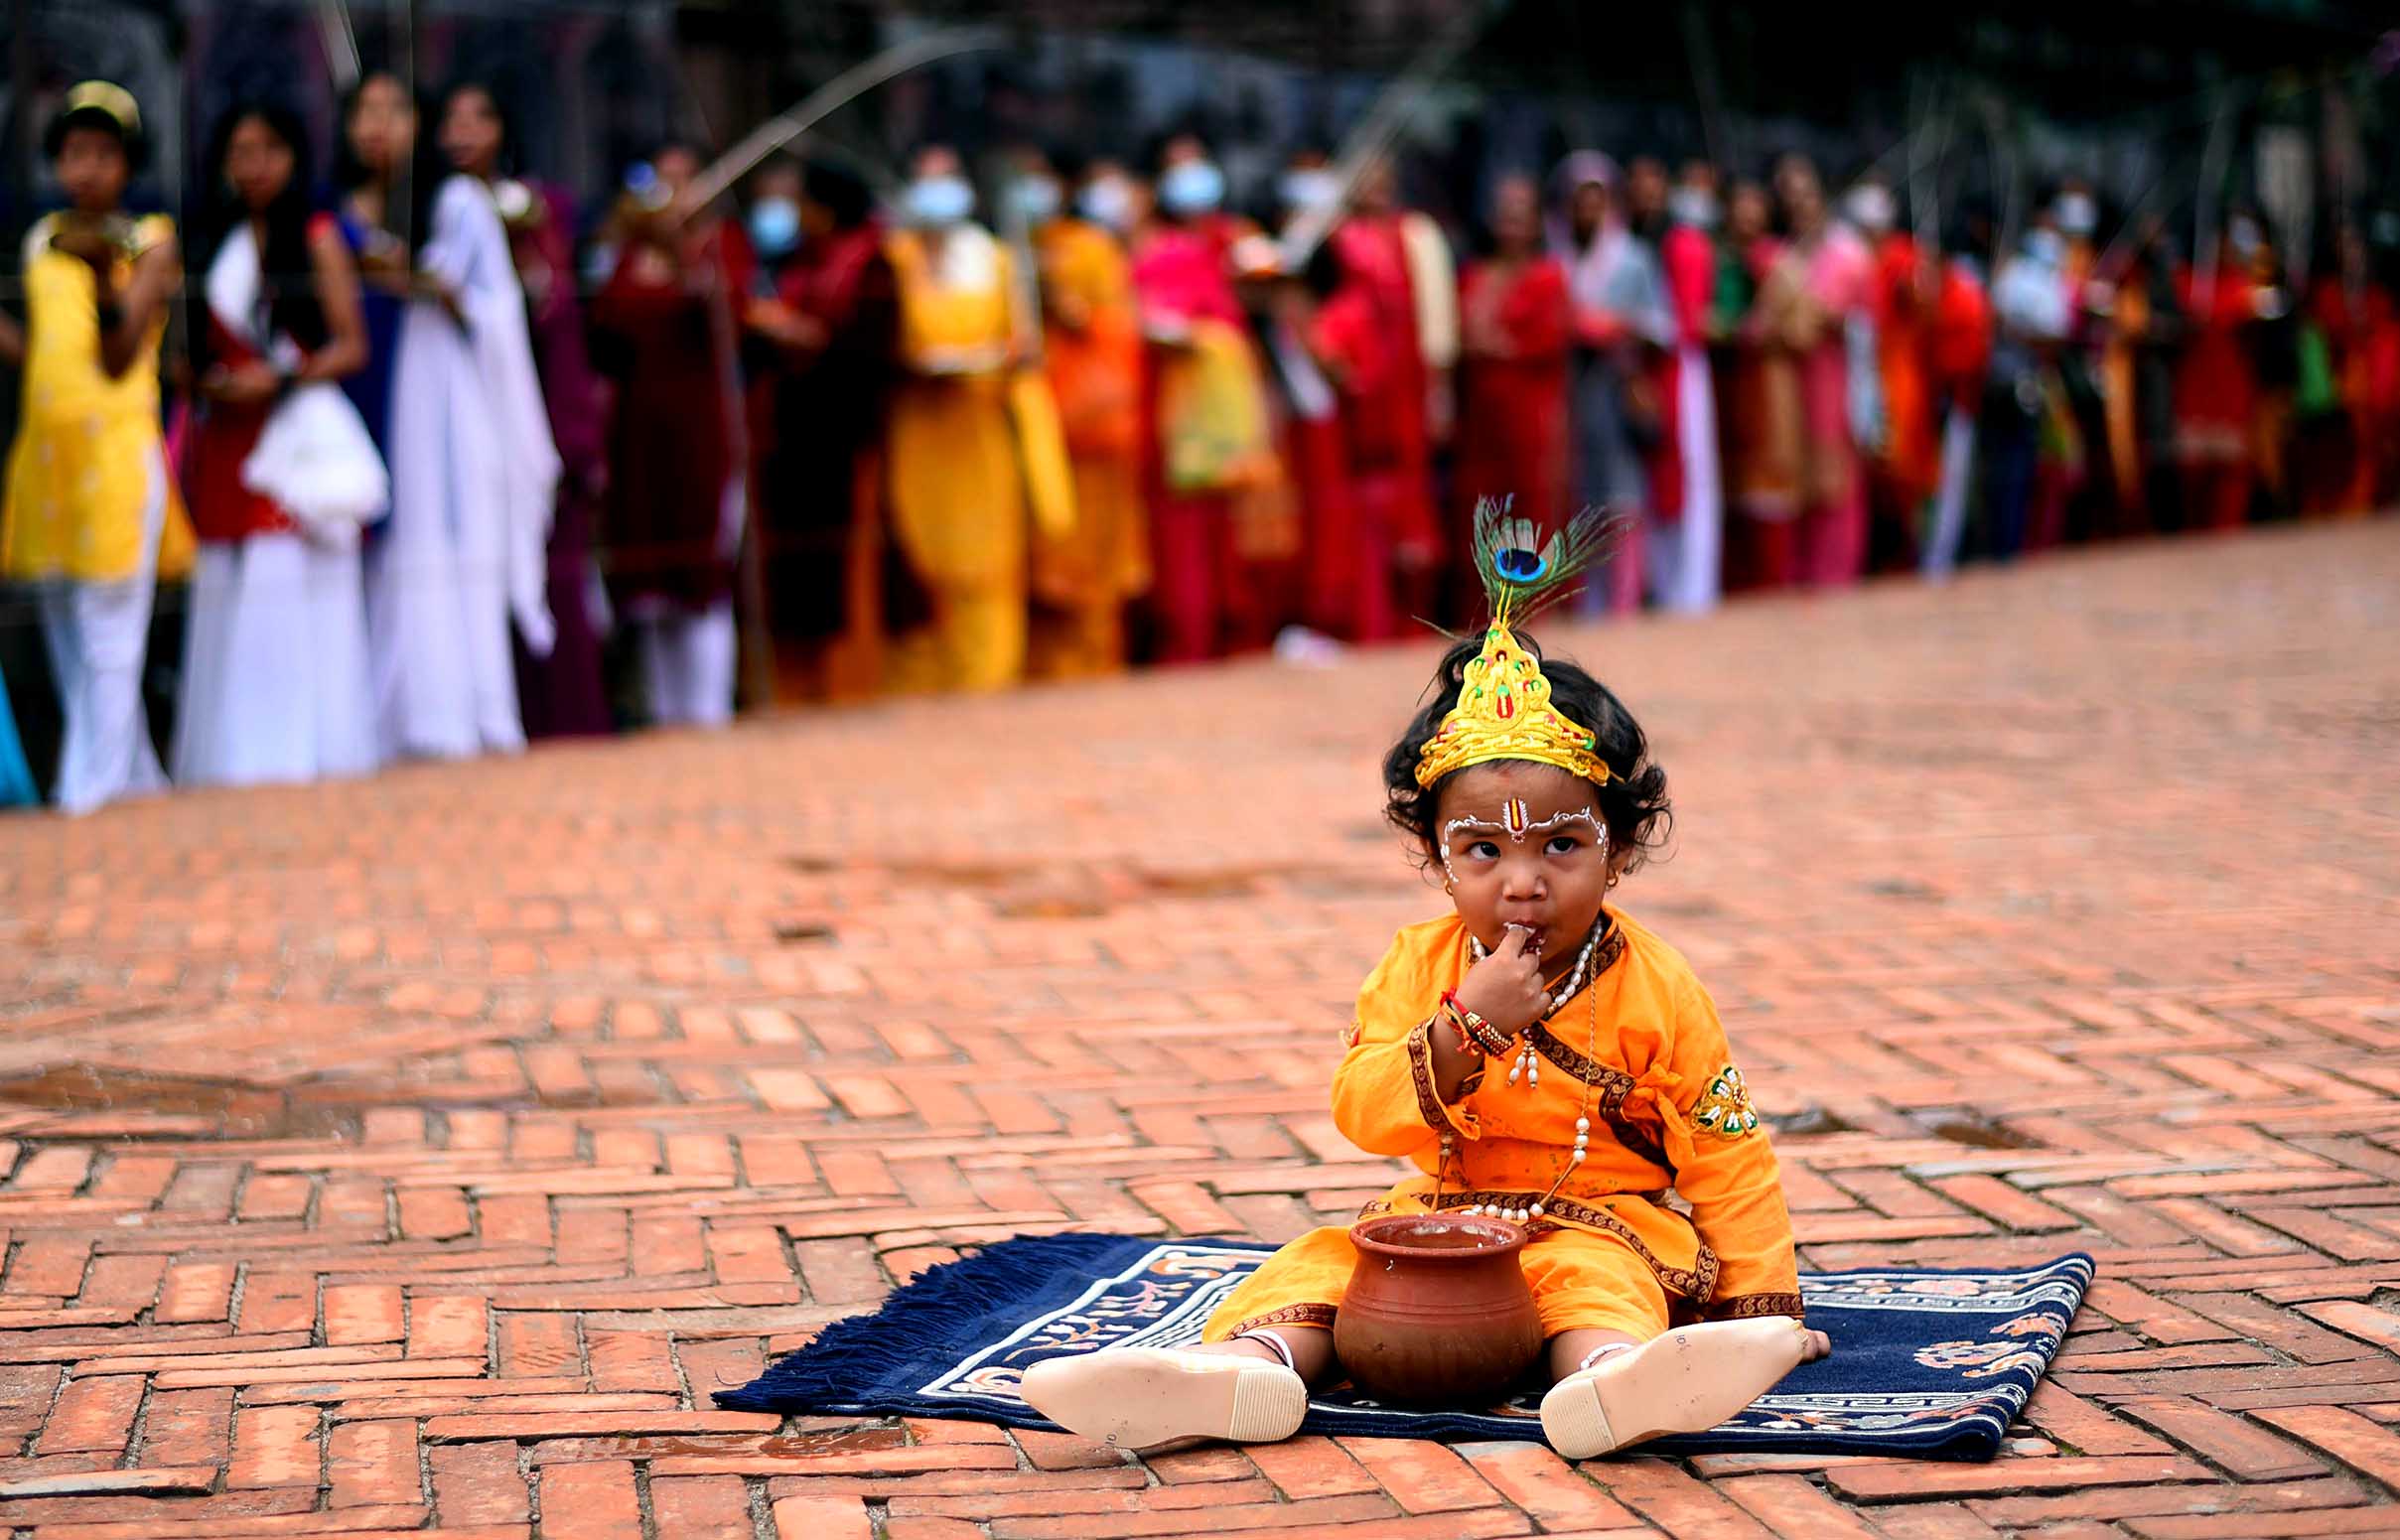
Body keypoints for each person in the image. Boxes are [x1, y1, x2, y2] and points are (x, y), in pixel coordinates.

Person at [1022, 508, 1827, 1457]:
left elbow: (1729, 1151)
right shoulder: (1417, 963)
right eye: (1482, 849)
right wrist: (1461, 1030)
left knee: (1597, 1285)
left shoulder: (1659, 983)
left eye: (1561, 845)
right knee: (1316, 1266)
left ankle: (1612, 1385)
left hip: (1602, 1224)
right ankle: (1248, 1375)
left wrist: (1760, 1304)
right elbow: (1361, 1110)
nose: (1521, 881)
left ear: (1619, 853)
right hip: (1437, 1227)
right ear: (1436, 860)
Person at [174, 101, 381, 787]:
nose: (253, 166)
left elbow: (352, 345)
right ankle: (231, 756)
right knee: (223, 586)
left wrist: (280, 375)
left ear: (292, 157)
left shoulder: (315, 235)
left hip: (290, 437)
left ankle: (286, 753)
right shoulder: (211, 242)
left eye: (267, 148)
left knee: (281, 582)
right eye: (240, 151)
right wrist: (203, 379)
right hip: (226, 434)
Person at [0, 82, 191, 814]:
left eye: (104, 154)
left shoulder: (152, 241)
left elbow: (116, 357)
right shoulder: (38, 239)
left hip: (116, 456)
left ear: (127, 164)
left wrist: (97, 278)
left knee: (112, 627)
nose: (87, 168)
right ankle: (130, 775)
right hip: (48, 458)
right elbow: (38, 353)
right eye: (75, 152)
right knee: (66, 630)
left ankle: (88, 789)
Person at [358, 72, 558, 759]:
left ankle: (465, 705)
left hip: (452, 381)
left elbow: (488, 302)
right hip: (406, 376)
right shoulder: (383, 202)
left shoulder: (459, 200)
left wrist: (414, 279)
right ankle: (414, 704)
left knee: (456, 521)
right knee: (414, 525)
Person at [440, 82, 611, 739]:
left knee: (551, 571)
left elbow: (555, 314)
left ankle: (565, 723)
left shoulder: (540, 212)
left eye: (479, 116)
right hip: (459, 411)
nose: (464, 130)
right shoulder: (440, 208)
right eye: (452, 117)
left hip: (534, 415)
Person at [880, 145, 1060, 692]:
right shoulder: (896, 261)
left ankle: (989, 677)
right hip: (918, 429)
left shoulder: (994, 259)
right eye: (924, 178)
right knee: (922, 557)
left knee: (987, 560)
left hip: (979, 427)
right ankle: (920, 683)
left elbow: (1024, 349)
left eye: (945, 177)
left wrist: (1007, 358)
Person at [590, 144, 751, 724]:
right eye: (665, 180)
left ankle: (707, 707)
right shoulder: (626, 255)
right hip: (640, 440)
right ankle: (662, 710)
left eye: (687, 180)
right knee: (651, 582)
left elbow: (731, 316)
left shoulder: (719, 247)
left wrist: (687, 263)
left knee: (703, 571)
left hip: (701, 433)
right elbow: (605, 329)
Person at [744, 162, 896, 700]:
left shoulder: (869, 265)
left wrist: (807, 340)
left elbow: (870, 354)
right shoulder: (794, 264)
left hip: (840, 438)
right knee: (795, 575)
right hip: (790, 441)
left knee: (840, 566)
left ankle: (845, 682)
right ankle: (798, 686)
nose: (795, 215)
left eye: (802, 202)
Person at [1133, 142, 1276, 661]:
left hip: (1235, 413)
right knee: (1185, 534)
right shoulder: (1159, 252)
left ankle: (1236, 633)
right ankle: (1189, 641)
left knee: (1233, 531)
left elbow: (1267, 294)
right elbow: (1151, 324)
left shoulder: (1234, 240)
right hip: (1182, 415)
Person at [1024, 153, 1149, 678]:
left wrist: (1074, 312)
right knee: (1046, 555)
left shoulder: (1090, 249)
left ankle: (1098, 663)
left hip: (1095, 425)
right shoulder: (1018, 250)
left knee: (1096, 557)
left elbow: (1120, 323)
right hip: (1040, 428)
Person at [1552, 153, 1670, 614]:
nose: (1587, 211)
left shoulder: (1633, 260)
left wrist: (1614, 326)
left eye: (1596, 201)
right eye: (1578, 202)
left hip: (1617, 389)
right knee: (1581, 494)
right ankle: (1588, 601)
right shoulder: (1557, 260)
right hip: (1572, 391)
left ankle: (1625, 598)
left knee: (1623, 492)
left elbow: (1661, 324)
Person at [1768, 156, 1872, 587]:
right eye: (1788, 196)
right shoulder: (1786, 254)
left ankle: (1837, 570)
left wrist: (1806, 315)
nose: (1798, 204)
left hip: (1832, 373)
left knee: (1835, 471)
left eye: (1805, 194)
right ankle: (1805, 572)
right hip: (1791, 379)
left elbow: (1846, 315)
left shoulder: (1845, 253)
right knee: (1798, 472)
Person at [1456, 176, 1571, 550]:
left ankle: (1532, 600)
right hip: (1480, 408)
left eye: (1519, 218)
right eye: (1504, 217)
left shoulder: (1547, 276)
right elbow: (1459, 331)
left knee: (1529, 499)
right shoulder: (1475, 274)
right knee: (1482, 501)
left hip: (1528, 408)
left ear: (1536, 224)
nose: (1510, 227)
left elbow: (1548, 338)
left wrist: (1496, 345)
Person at [1849, 177, 1935, 573]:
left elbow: (1919, 301)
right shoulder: (1851, 257)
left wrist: (1913, 286)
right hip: (1860, 368)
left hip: (1897, 374)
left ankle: (1911, 553)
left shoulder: (1903, 255)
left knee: (1901, 462)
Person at [1652, 161, 1726, 611]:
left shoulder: (1688, 243)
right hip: (1677, 364)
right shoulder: (1679, 242)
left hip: (1685, 365)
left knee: (1690, 472)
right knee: (1685, 471)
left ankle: (1690, 586)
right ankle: (1684, 586)